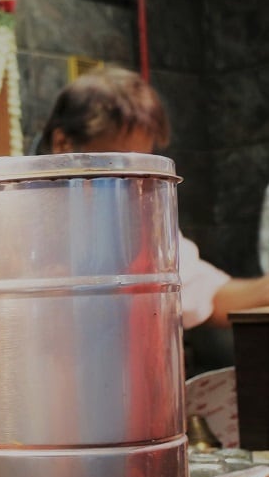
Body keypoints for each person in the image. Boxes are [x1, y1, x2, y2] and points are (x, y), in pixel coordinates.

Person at [37, 67, 269, 328]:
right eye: (117, 166)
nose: (133, 188)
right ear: (63, 144)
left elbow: (206, 296)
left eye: (140, 170)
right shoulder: (17, 220)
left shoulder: (142, 218)